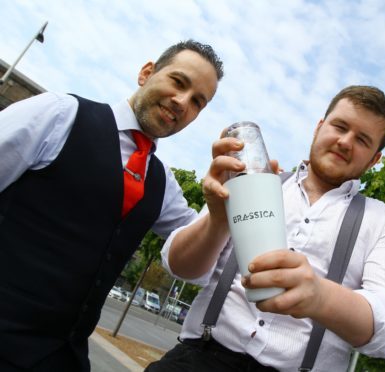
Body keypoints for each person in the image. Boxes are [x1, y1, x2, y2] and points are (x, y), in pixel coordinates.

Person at [147, 85, 385, 371]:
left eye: (362, 139)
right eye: (340, 126)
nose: (345, 142)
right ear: (319, 127)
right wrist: (218, 220)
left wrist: (320, 297)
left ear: (374, 159)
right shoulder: (251, 181)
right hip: (198, 358)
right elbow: (181, 268)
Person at [0, 40, 223, 371]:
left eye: (197, 102)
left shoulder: (163, 185)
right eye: (178, 82)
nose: (181, 102)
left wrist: (228, 207)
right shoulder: (59, 114)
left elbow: (211, 260)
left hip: (62, 358)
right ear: (146, 73)